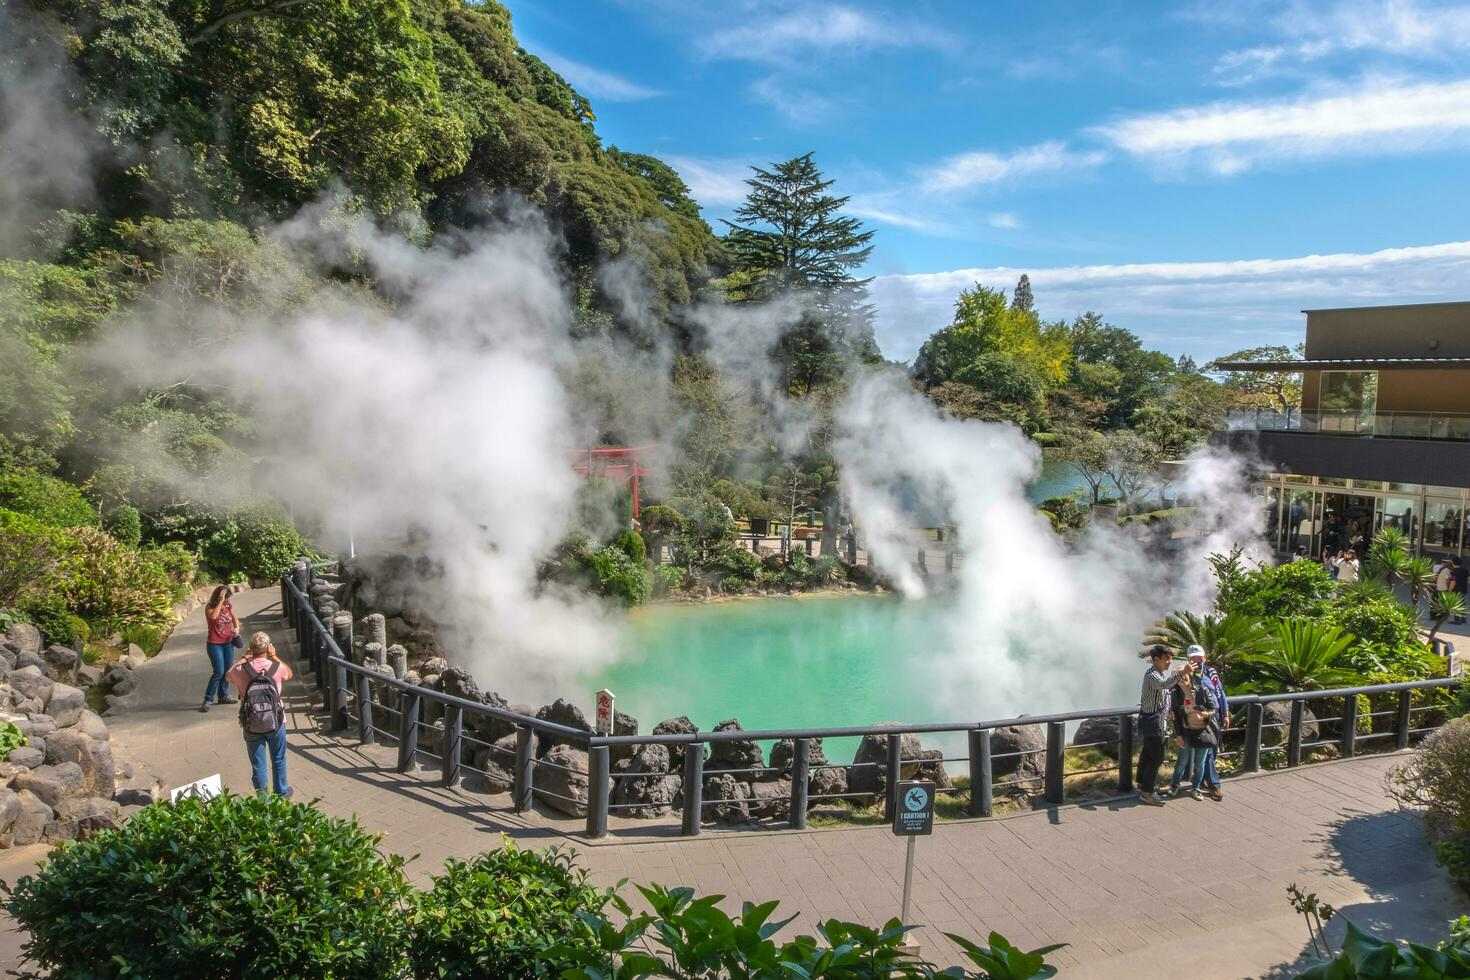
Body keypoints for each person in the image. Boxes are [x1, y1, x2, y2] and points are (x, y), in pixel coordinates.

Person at [224, 632, 294, 798]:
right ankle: (281, 792)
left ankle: (263, 799)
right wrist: (275, 656)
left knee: (258, 764)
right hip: (276, 720)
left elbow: (227, 675)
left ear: (251, 649)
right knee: (278, 759)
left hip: (251, 721)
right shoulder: (276, 667)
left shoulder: (241, 669)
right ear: (268, 647)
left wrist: (243, 659)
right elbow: (289, 674)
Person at [1136, 644, 1187, 806]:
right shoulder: (1152, 676)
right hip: (1152, 721)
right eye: (1166, 659)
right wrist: (1182, 673)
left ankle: (1143, 785)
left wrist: (1169, 711)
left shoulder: (1157, 674)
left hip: (1155, 720)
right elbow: (1165, 685)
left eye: (1170, 659)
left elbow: (1164, 693)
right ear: (1156, 659)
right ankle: (1147, 793)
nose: (1169, 663)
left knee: (1148, 755)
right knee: (1156, 757)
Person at [1165, 659, 1218, 800]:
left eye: (1184, 675)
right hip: (1186, 732)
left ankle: (1196, 788)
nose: (1181, 678)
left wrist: (1205, 714)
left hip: (1202, 731)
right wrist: (1178, 735)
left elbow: (1213, 708)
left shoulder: (1201, 689)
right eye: (1178, 676)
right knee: (1182, 761)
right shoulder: (1175, 693)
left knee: (1199, 763)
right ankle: (1174, 786)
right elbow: (1175, 716)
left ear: (1190, 674)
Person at [201, 585, 240, 713]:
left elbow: (234, 618)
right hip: (214, 644)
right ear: (219, 596)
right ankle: (208, 699)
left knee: (227, 670)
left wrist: (236, 628)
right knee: (218, 671)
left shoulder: (228, 605)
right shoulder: (210, 607)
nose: (228, 600)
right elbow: (213, 617)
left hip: (228, 643)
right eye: (226, 597)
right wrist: (221, 601)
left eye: (228, 597)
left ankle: (223, 696)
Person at [1454, 557, 1469, 626]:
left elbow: (1453, 581)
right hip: (1463, 589)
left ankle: (1457, 620)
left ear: (1453, 562)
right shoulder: (1465, 570)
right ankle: (1463, 619)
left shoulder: (1453, 571)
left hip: (1456, 589)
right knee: (1462, 604)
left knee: (1456, 604)